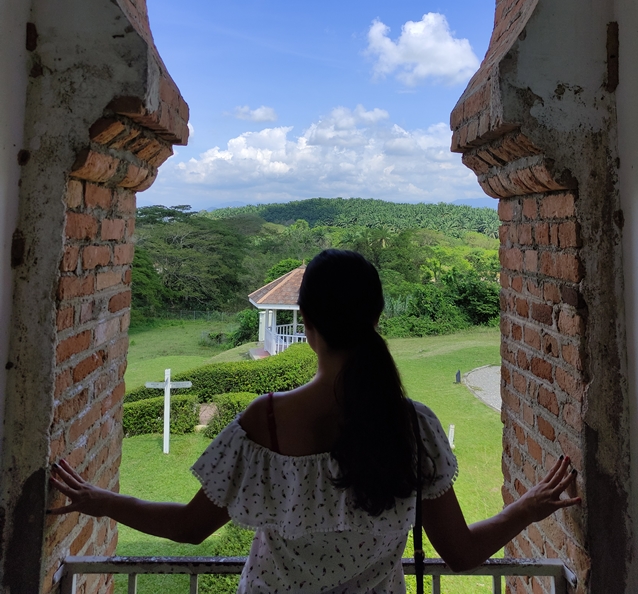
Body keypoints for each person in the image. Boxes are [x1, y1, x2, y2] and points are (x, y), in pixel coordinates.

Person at [49, 249, 580, 593]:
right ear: (376, 318)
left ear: (305, 323)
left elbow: (189, 528)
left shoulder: (265, 422)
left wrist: (101, 501)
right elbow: (460, 552)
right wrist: (528, 509)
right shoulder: (414, 427)